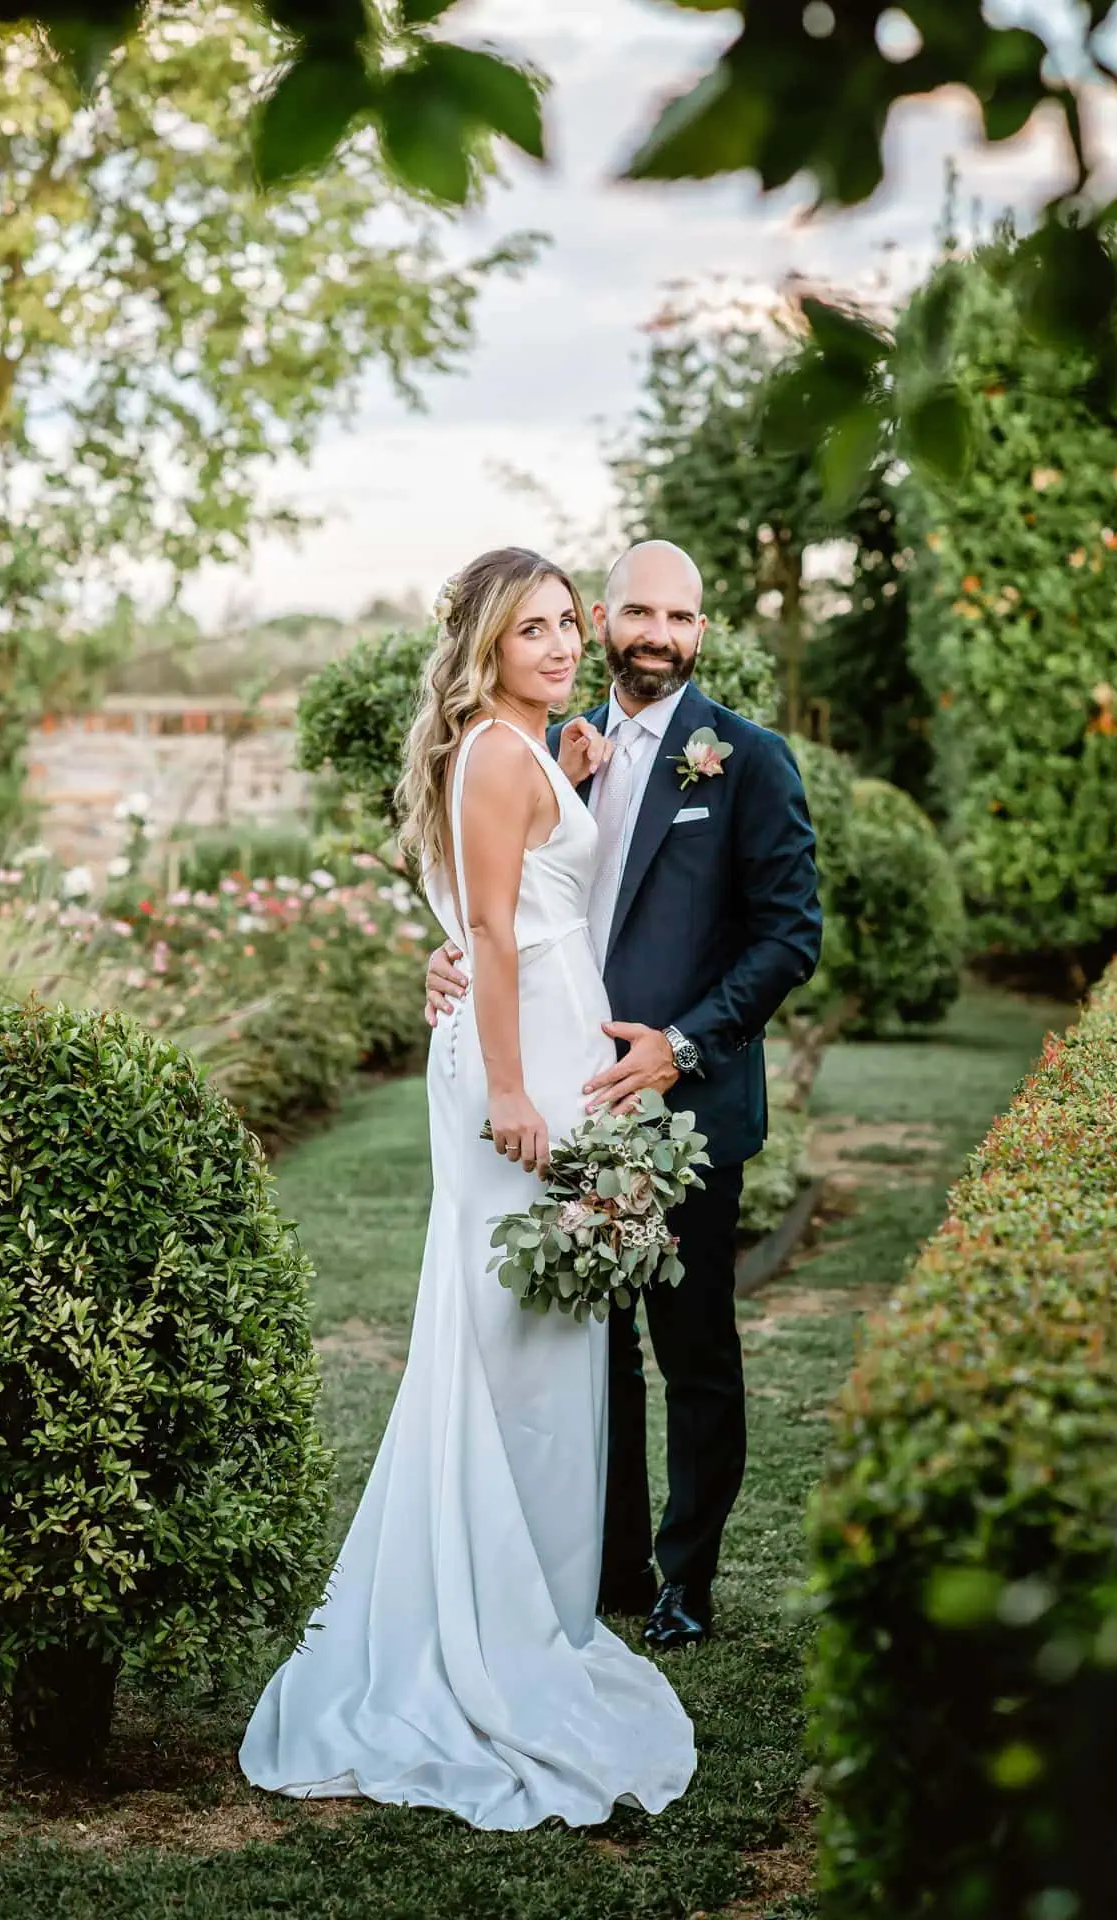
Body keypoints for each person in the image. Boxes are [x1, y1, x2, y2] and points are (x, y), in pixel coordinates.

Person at [240, 547, 696, 1829]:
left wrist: (585, 767)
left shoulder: (536, 747)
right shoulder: (499, 756)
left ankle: (530, 1614)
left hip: (554, 1045)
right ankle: (490, 1634)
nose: (561, 646)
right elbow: (492, 932)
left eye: (569, 625)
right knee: (508, 1349)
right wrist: (506, 1084)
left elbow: (522, 901)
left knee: (544, 1353)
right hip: (520, 1065)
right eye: (534, 631)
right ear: (488, 647)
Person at [425, 540, 822, 1652]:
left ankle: (685, 1580)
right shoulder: (548, 744)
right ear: (603, 618)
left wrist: (682, 1047)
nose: (658, 634)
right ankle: (602, 1566)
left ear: (703, 631)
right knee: (586, 1353)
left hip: (681, 1115)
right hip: (563, 1097)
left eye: (680, 619)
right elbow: (510, 905)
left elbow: (790, 936)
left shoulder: (748, 761)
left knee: (692, 1350)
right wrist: (448, 957)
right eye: (638, 612)